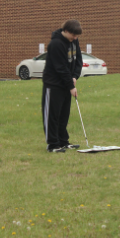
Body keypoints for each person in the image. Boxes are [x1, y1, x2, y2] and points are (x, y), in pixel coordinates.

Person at [41, 19, 83, 153]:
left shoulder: (74, 41)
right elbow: (61, 68)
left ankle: (63, 141)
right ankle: (53, 144)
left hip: (66, 83)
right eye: (73, 35)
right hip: (53, 85)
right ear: (66, 31)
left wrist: (75, 76)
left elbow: (79, 61)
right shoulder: (56, 44)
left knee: (64, 115)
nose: (75, 38)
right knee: (52, 115)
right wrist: (71, 85)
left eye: (77, 36)